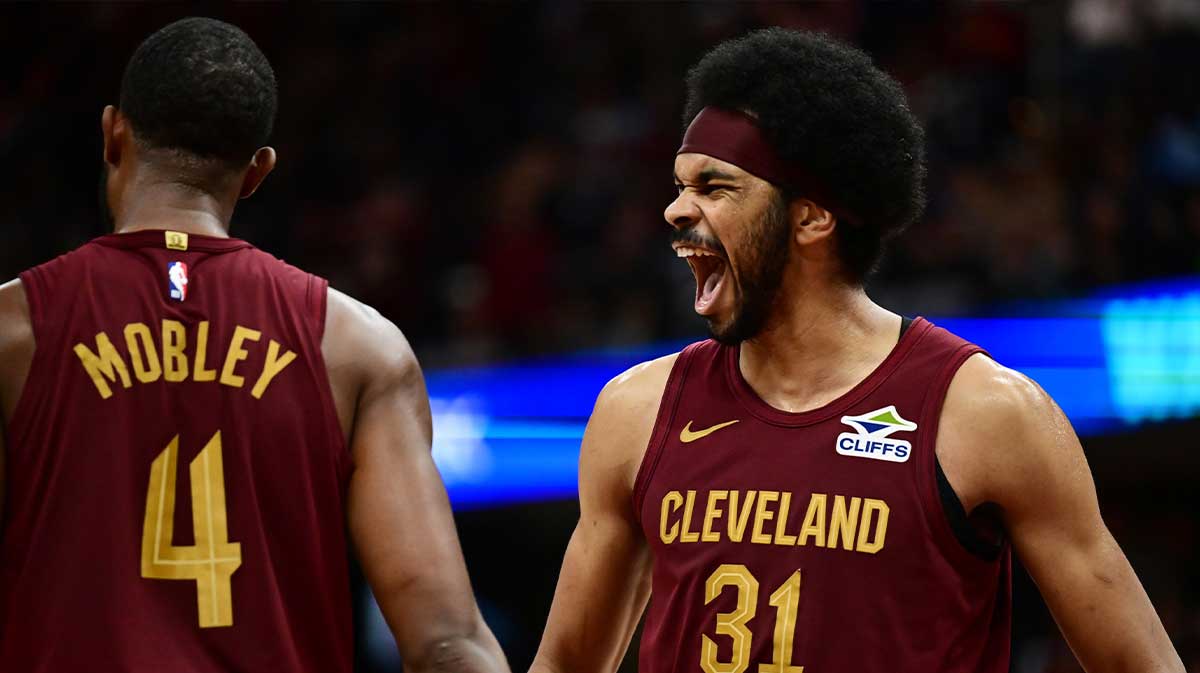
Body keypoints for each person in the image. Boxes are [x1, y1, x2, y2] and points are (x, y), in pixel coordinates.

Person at [530, 28, 1183, 673]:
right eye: (679, 185)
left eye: (715, 186)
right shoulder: (636, 411)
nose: (676, 210)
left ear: (812, 217)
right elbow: (563, 660)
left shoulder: (986, 413)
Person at [0, 17, 509, 673]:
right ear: (257, 171)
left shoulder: (13, 331)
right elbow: (447, 644)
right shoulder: (356, 346)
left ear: (112, 132)